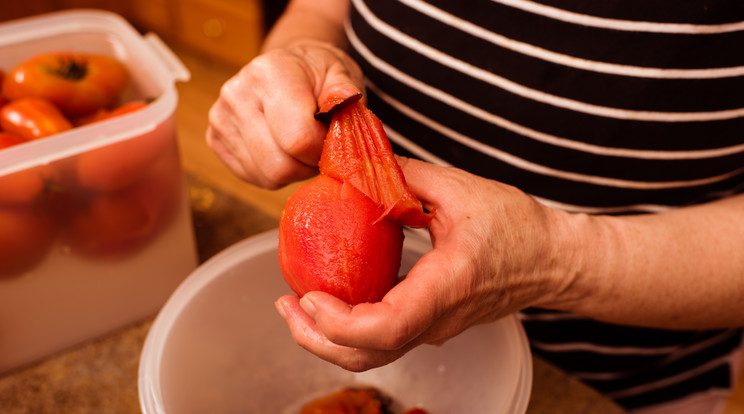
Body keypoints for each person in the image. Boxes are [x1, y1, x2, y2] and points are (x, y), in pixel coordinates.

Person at [206, 0, 744, 412]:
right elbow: (320, 7)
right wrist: (302, 51)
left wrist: (560, 259)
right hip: (399, 344)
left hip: (617, 383)